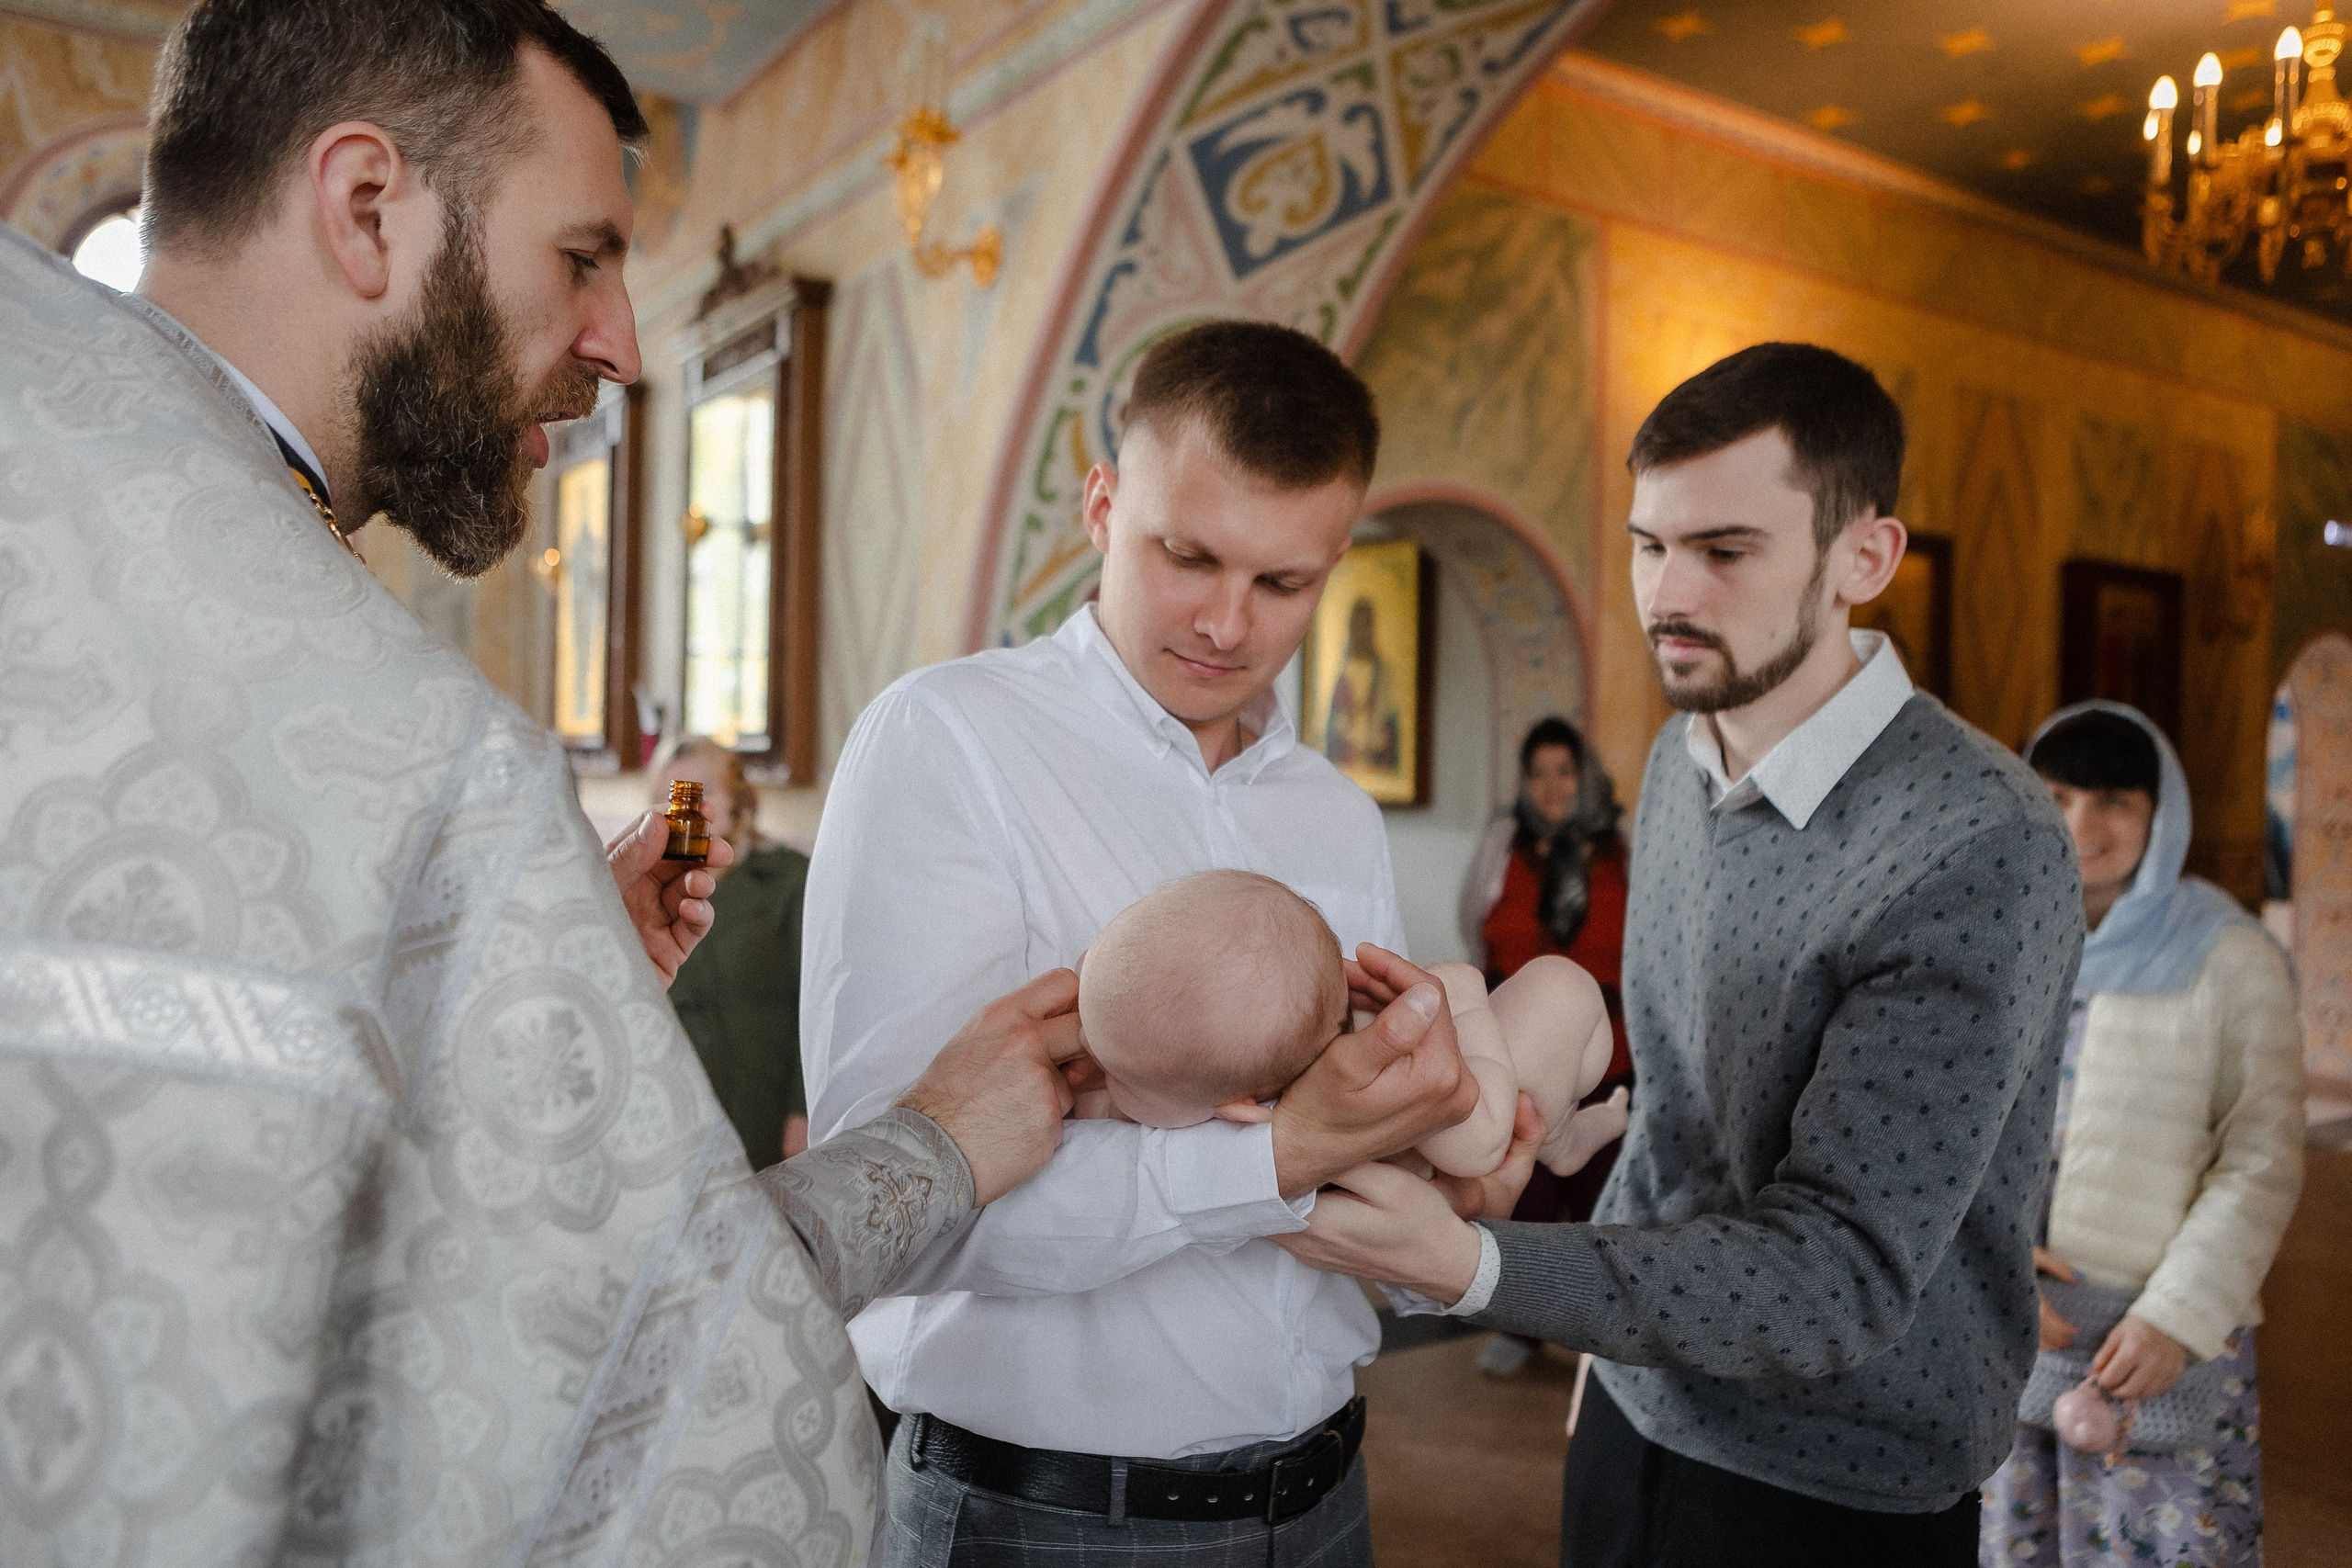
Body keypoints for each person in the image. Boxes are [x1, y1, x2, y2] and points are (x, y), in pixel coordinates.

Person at [0, 5, 1084, 1562]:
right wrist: (944, 1140)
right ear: (367, 207)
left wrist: (511, 959)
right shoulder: (400, 742)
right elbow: (618, 1374)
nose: (624, 344)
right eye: (582, 256)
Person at [1272, 343, 2085, 1568]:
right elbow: (1711, 1100)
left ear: (1864, 556)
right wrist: (1615, 1187)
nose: (1666, 591)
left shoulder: (1980, 837)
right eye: (1650, 543)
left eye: (1724, 549)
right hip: (1635, 1400)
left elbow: (1839, 1271)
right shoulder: (1677, 762)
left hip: (1837, 1479)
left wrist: (1474, 1266)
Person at [802, 320, 1490, 1567]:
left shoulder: (1332, 811)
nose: (1229, 622)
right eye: (1189, 556)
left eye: (1283, 583)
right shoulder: (947, 740)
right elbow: (899, 1206)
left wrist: (1443, 1150)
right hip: (1046, 1519)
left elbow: (1377, 1166)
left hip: (1330, 1494)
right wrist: (1280, 1151)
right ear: (1102, 503)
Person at [1980, 704, 2305, 1568]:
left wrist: (2178, 1316)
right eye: (2057, 794)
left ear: (2162, 814)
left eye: (2115, 801)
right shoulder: (1991, 935)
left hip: (2158, 1342)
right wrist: (1990, 1258)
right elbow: (1944, 1126)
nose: (2083, 825)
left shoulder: (2228, 957)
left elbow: (2262, 1157)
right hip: (2016, 1330)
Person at [1073, 870, 1623, 1180]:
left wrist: (1459, 1010)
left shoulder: (1180, 1077)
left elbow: (1479, 1147)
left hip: (1461, 1074)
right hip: (1468, 1093)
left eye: (1115, 1073)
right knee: (1559, 992)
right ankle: (1560, 1137)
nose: (1097, 1076)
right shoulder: (1218, 1062)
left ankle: (1561, 1134)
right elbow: (1479, 1145)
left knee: (1554, 989)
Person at [1459, 715, 1632, 1375]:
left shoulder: (1620, 845)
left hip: (1608, 1047)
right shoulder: (1506, 842)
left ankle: (1597, 1334)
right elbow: (1475, 922)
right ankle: (1520, 1323)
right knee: (1520, 1194)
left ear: (1583, 774)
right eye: (1539, 772)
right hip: (1518, 1050)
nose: (1552, 786)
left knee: (1599, 1196)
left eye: (1565, 770)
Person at [654, 736, 813, 1166]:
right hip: (678, 1104)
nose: (690, 810)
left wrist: (804, 1111)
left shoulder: (789, 879)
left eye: (701, 793)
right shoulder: (653, 887)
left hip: (758, 1095)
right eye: (675, 798)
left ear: (738, 800)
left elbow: (815, 1002)